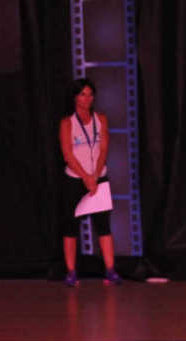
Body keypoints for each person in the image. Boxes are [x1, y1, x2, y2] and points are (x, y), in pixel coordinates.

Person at [59, 78, 120, 287]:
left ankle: (110, 270)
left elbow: (103, 148)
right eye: (83, 94)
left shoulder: (101, 119)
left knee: (103, 225)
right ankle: (71, 272)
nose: (87, 99)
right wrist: (85, 177)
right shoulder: (67, 123)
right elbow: (67, 154)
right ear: (75, 97)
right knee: (70, 226)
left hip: (98, 177)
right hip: (75, 179)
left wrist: (95, 176)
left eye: (90, 95)